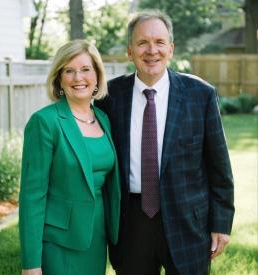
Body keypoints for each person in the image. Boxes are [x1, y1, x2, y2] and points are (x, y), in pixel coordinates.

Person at [95, 10, 234, 275]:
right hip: (130, 223)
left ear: (170, 49)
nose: (151, 50)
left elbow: (220, 168)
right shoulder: (109, 97)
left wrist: (222, 223)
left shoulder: (200, 95)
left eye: (159, 42)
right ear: (129, 51)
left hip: (187, 221)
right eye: (142, 43)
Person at [19, 39, 120, 275]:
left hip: (96, 237)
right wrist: (31, 263)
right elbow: (32, 196)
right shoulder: (45, 122)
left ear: (96, 75)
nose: (78, 78)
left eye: (85, 69)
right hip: (58, 242)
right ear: (59, 79)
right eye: (69, 71)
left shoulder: (103, 119)